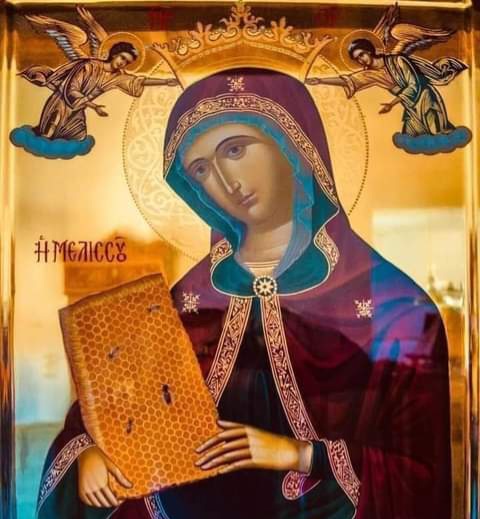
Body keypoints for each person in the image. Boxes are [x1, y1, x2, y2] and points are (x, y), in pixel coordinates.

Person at [36, 68, 451, 519]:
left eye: (235, 149)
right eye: (201, 170)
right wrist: (88, 456)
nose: (226, 181)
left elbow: (419, 469)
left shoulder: (392, 305)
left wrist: (298, 454)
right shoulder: (191, 297)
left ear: (292, 144)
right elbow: (108, 409)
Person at [20, 41, 177, 141]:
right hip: (62, 102)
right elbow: (72, 89)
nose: (122, 63)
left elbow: (138, 81)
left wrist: (165, 81)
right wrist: (94, 106)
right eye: (122, 58)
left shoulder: (118, 77)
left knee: (78, 136)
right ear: (114, 54)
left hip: (78, 108)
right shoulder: (89, 66)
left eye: (127, 62)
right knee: (48, 134)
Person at [306, 38, 463, 137]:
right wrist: (320, 80)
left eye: (361, 55)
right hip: (409, 104)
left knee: (437, 134)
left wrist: (392, 104)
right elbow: (348, 80)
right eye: (357, 59)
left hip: (425, 98)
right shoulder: (370, 74)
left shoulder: (398, 61)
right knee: (412, 136)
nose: (361, 60)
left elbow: (414, 85)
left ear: (369, 51)